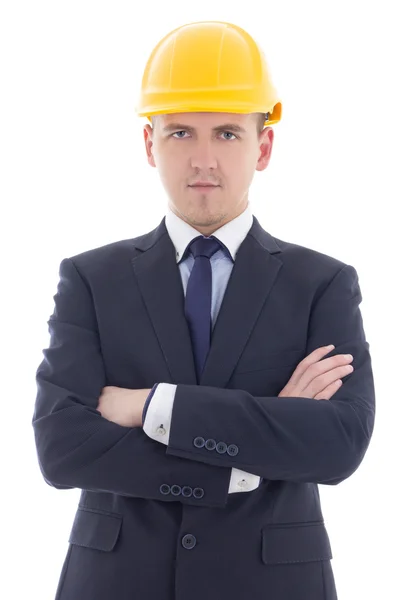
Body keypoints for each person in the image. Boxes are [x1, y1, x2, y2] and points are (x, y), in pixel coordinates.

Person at [32, 20, 375, 600]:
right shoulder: (90, 279)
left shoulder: (323, 284)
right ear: (149, 144)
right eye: (181, 132)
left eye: (227, 134)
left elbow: (338, 444)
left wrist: (152, 406)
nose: (203, 160)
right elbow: (62, 449)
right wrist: (257, 446)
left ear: (263, 146)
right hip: (117, 583)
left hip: (270, 584)